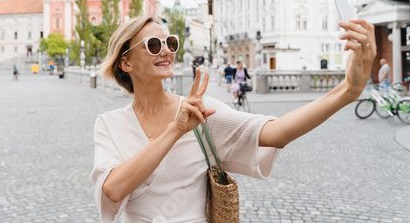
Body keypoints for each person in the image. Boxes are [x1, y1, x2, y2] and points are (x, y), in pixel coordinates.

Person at [90, 16, 376, 222]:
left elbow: (276, 133)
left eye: (171, 42)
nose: (166, 50)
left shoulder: (202, 110)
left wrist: (347, 91)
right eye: (153, 44)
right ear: (125, 62)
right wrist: (176, 130)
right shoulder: (110, 124)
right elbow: (113, 189)